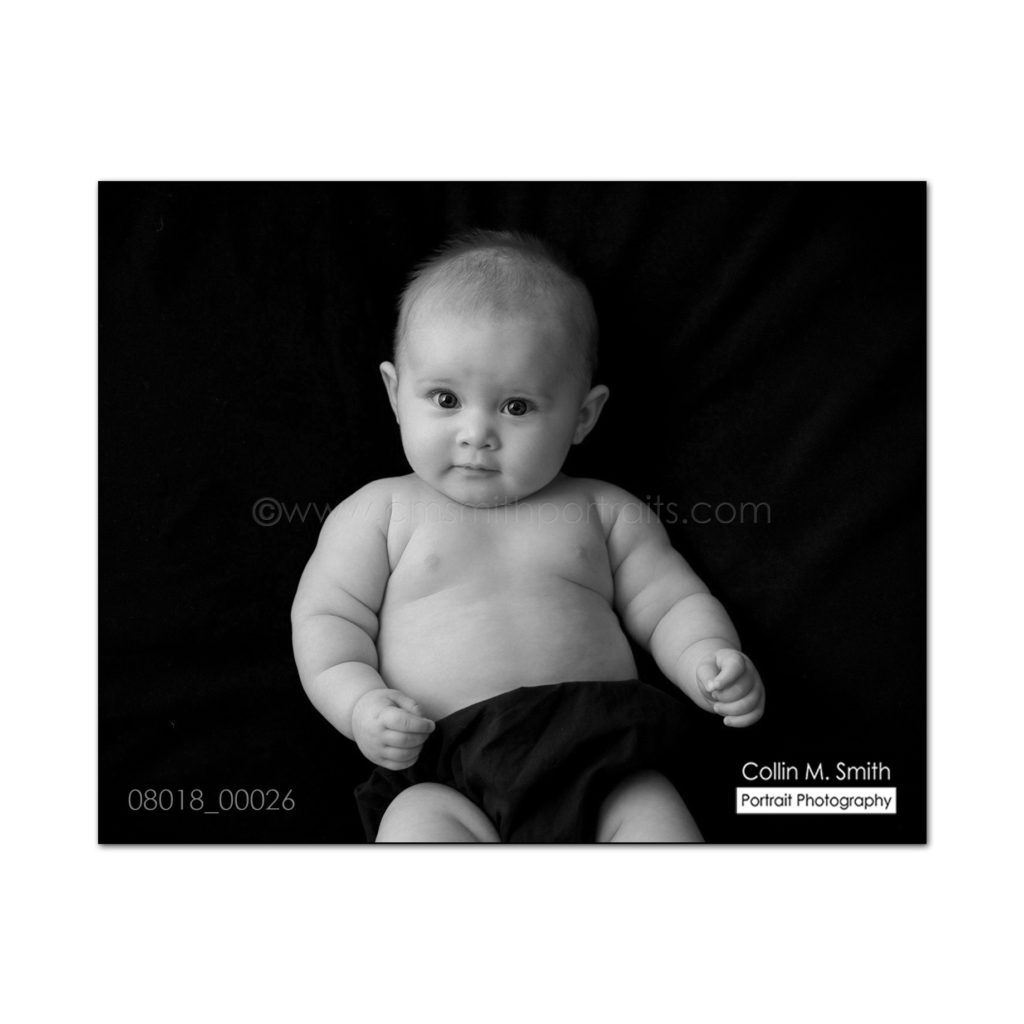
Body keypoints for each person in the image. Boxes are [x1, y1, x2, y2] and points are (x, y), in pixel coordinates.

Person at [291, 230, 765, 842]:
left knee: (652, 810)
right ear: (395, 394)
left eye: (516, 406)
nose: (476, 433)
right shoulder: (377, 513)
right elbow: (327, 622)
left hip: (602, 760)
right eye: (445, 398)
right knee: (414, 825)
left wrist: (708, 657)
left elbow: (670, 603)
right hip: (445, 768)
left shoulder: (604, 511)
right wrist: (359, 706)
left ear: (582, 416)